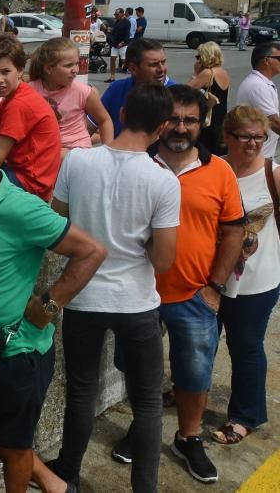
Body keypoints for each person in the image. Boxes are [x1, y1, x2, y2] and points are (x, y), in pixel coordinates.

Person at [0, 117, 107, 493]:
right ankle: (51, 482)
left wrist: (49, 306)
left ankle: (39, 478)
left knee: (14, 450)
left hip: (18, 351)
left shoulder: (21, 209)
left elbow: (92, 251)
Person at [46, 84, 179, 493]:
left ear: (120, 115)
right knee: (148, 399)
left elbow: (58, 224)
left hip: (83, 295)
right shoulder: (163, 181)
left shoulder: (78, 162)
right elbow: (163, 261)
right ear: (161, 129)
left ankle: (67, 470)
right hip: (135, 300)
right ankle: (145, 486)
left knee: (82, 391)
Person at [115, 84, 244, 484]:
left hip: (193, 295)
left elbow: (235, 231)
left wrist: (215, 287)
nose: (181, 127)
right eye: (173, 118)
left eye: (191, 120)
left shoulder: (219, 170)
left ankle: (188, 438)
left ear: (203, 123)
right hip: (138, 295)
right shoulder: (136, 163)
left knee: (194, 373)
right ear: (159, 119)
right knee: (139, 372)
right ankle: (144, 427)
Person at [214, 106, 280, 446]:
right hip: (208, 277)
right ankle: (186, 392)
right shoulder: (212, 168)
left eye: (260, 137)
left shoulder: (274, 174)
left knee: (246, 347)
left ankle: (244, 415)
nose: (253, 144)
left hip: (257, 280)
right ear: (227, 136)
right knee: (200, 342)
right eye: (245, 137)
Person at [0, 34, 62, 202]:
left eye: (5, 72)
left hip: (29, 184)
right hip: (25, 175)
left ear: (20, 70)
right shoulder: (9, 101)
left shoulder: (19, 104)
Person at [27, 37, 113, 155]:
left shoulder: (84, 92)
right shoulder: (29, 91)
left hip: (76, 151)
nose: (75, 70)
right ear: (48, 68)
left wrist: (108, 152)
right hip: (42, 151)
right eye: (68, 65)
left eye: (77, 64)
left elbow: (104, 120)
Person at [101, 38, 175, 137]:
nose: (161, 69)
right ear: (133, 68)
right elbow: (90, 126)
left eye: (163, 62)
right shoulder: (116, 89)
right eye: (154, 64)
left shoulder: (176, 93)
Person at [233, 41, 280, 159]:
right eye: (279, 58)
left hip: (261, 154)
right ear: (266, 60)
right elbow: (273, 121)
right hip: (257, 156)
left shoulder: (262, 83)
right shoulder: (258, 85)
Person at [187, 41, 230, 155]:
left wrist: (196, 73)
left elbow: (185, 90)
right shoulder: (223, 72)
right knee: (218, 151)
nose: (198, 60)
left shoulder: (208, 73)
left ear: (205, 56)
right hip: (221, 117)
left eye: (199, 56)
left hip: (209, 119)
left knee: (204, 151)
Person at [106, 8, 131, 83]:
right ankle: (112, 77)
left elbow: (127, 34)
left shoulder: (127, 22)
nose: (115, 16)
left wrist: (122, 42)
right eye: (115, 14)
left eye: (117, 14)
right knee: (112, 59)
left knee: (124, 61)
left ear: (122, 14)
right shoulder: (117, 21)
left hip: (122, 44)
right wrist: (110, 30)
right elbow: (114, 31)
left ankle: (134, 73)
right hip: (115, 43)